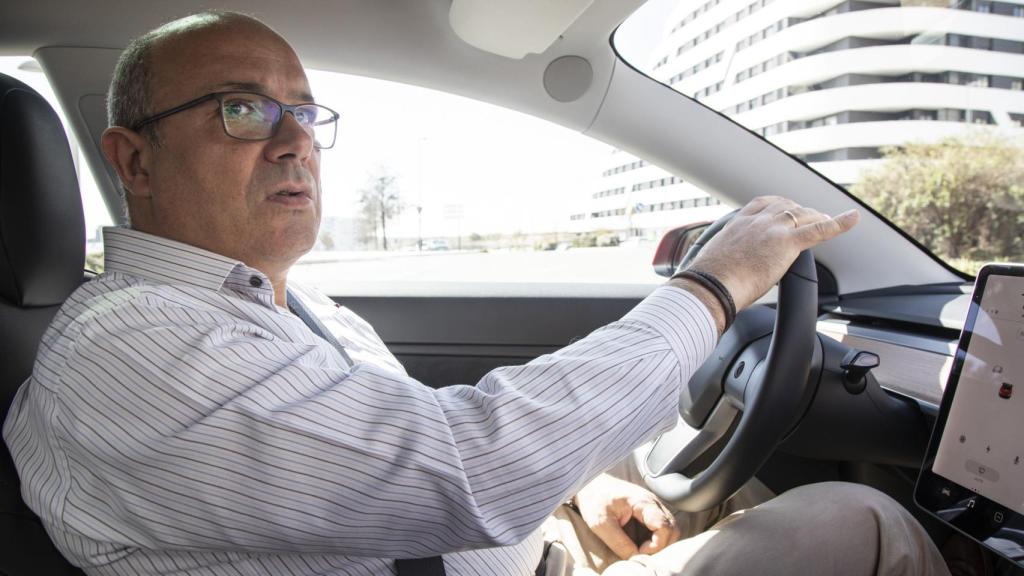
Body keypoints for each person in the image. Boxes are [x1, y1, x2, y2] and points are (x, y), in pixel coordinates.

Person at [2, 11, 950, 576]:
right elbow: (471, 462)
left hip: (532, 557)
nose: (293, 140)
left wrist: (575, 490)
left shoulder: (288, 310)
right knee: (859, 523)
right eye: (243, 110)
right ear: (135, 162)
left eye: (305, 112)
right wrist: (714, 285)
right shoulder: (125, 350)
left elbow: (407, 446)